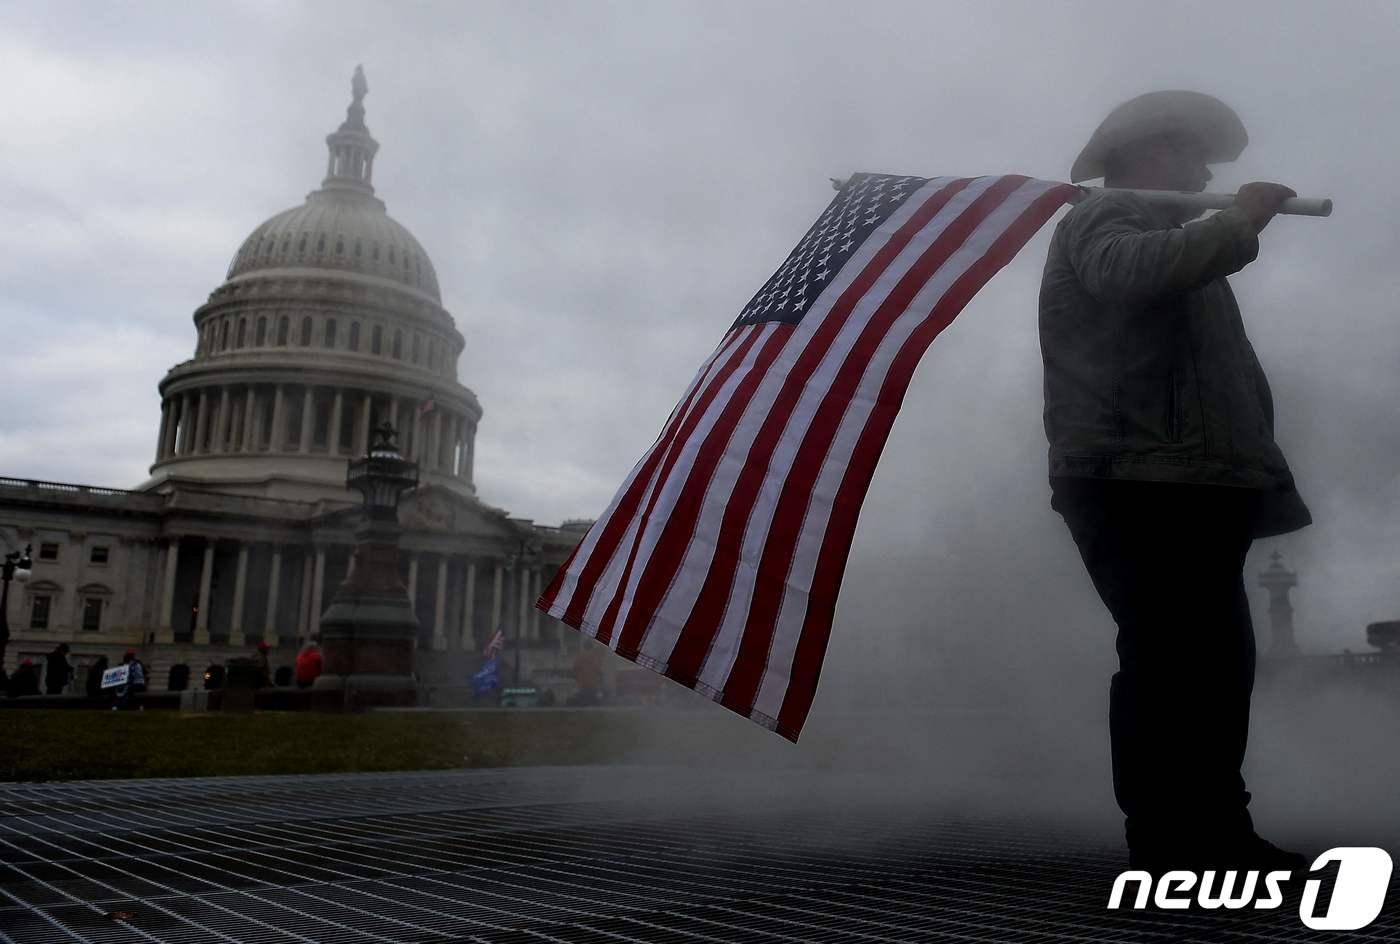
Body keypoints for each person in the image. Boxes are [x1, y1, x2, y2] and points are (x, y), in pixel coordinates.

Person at [1041, 90, 1313, 875]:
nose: (1202, 171)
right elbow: (1126, 275)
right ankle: (1167, 840)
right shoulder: (1108, 217)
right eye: (1189, 153)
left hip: (1195, 482)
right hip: (1133, 479)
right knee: (1168, 660)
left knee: (1217, 665)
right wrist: (1239, 221)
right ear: (1142, 154)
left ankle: (1218, 831)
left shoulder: (1177, 240)